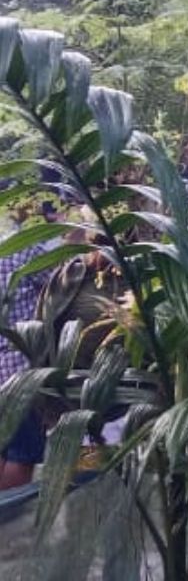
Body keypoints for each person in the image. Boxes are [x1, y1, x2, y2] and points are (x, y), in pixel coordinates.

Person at [0, 204, 54, 490]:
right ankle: (8, 522)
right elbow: (59, 282)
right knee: (22, 454)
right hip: (17, 371)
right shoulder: (25, 247)